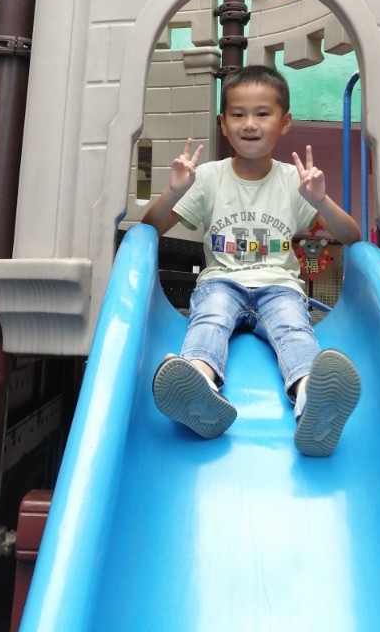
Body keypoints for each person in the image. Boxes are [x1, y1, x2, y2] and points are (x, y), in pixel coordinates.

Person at [142, 64, 361, 458]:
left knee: (293, 328)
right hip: (222, 282)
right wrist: (173, 192)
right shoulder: (208, 177)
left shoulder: (294, 181)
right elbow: (150, 228)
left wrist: (320, 201)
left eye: (262, 113)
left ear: (285, 121)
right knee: (210, 317)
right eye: (238, 114)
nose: (250, 124)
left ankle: (312, 398)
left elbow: (351, 236)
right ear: (223, 124)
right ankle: (199, 384)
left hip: (279, 286)